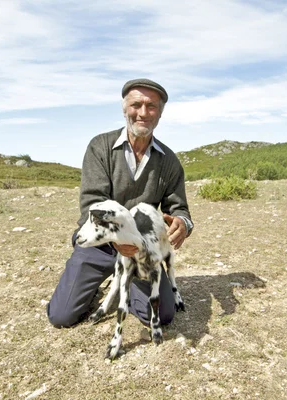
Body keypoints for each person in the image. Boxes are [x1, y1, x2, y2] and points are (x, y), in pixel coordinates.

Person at [47, 78, 194, 328]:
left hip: (140, 249)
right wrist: (117, 239)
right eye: (136, 104)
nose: (143, 113)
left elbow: (178, 208)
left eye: (152, 106)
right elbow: (93, 203)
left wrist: (182, 223)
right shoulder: (100, 147)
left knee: (161, 316)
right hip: (100, 244)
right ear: (125, 108)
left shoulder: (169, 161)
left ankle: (131, 286)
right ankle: (94, 280)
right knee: (61, 317)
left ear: (160, 113)